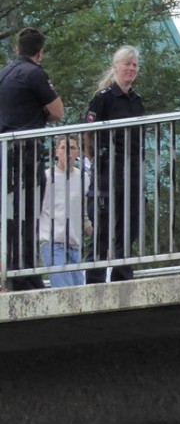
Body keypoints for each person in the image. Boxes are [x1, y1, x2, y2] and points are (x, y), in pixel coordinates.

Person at [0, 27, 64, 291]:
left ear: (18, 48)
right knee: (28, 214)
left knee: (11, 214)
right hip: (25, 155)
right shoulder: (34, 73)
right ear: (40, 52)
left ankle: (15, 269)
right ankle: (26, 272)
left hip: (5, 155)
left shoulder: (3, 73)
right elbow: (58, 111)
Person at [84, 46, 145, 283]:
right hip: (108, 169)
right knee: (102, 226)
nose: (131, 68)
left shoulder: (136, 100)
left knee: (129, 226)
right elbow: (87, 133)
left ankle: (123, 274)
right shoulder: (103, 98)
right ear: (116, 66)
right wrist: (95, 160)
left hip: (132, 168)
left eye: (134, 65)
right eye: (127, 64)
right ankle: (95, 279)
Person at [39, 134, 92, 287]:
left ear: (78, 153)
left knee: (78, 296)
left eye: (72, 148)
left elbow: (85, 216)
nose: (68, 152)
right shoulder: (46, 178)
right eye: (63, 148)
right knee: (65, 292)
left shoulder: (84, 178)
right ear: (56, 152)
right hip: (52, 244)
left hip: (74, 247)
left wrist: (101, 243)